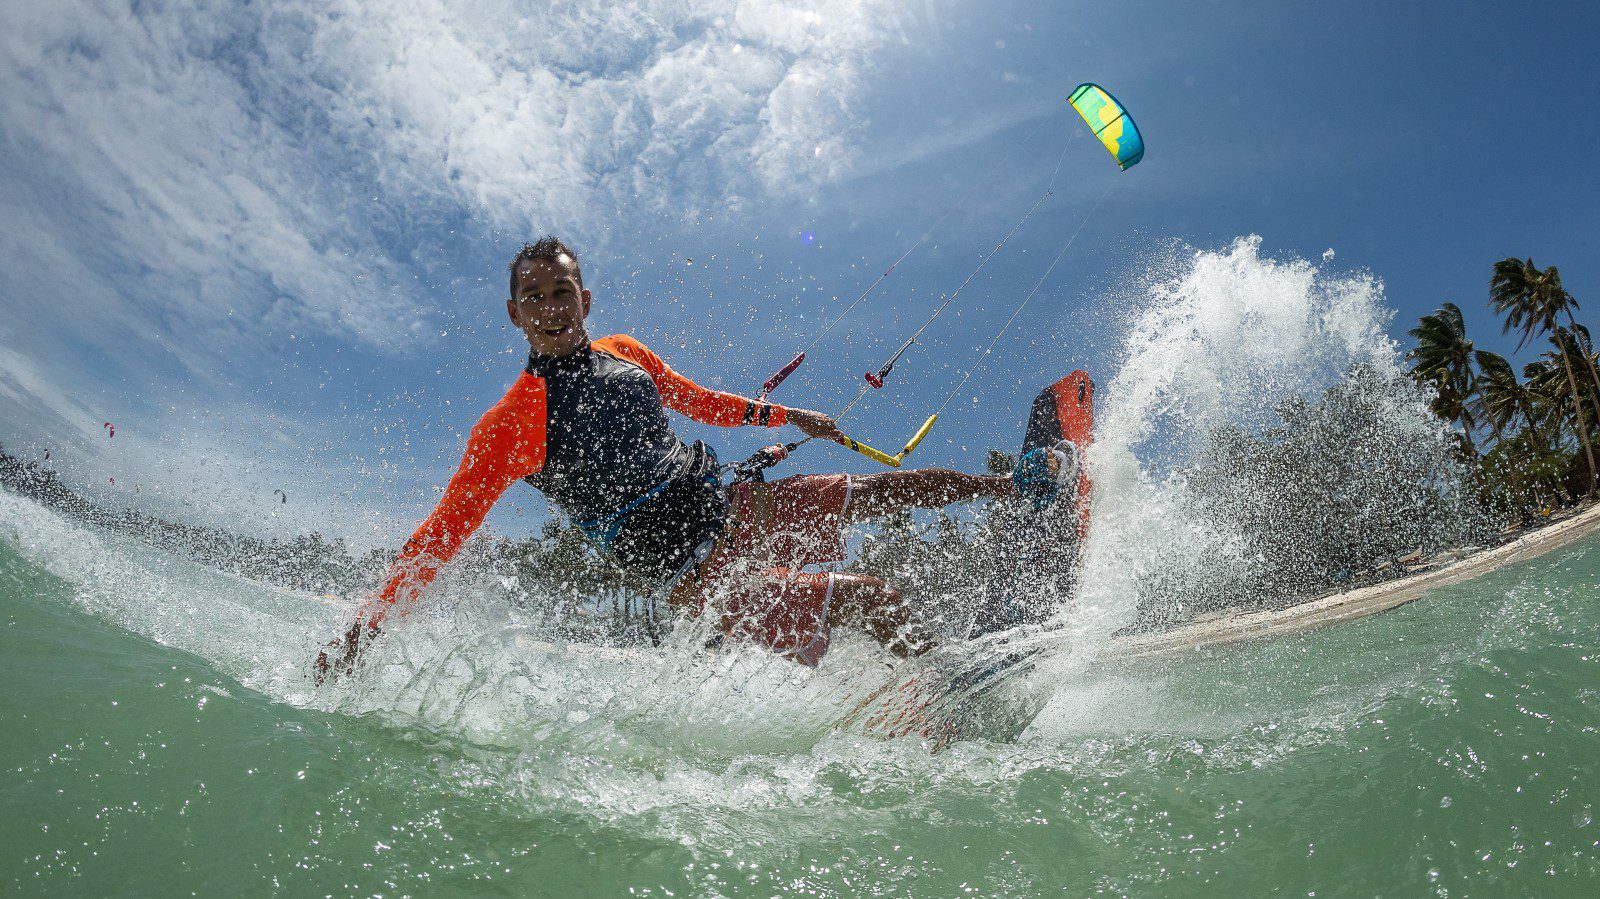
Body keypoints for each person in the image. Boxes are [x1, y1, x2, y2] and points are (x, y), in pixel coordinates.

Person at [314, 237, 1026, 682]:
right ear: (515, 314)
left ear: (584, 297)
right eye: (534, 297)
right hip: (699, 577)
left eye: (562, 291)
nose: (551, 307)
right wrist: (360, 634)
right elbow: (438, 537)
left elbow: (699, 400)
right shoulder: (508, 425)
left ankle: (1014, 488)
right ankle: (945, 694)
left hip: (732, 503)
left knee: (881, 491)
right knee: (873, 595)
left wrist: (788, 415)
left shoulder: (624, 352)